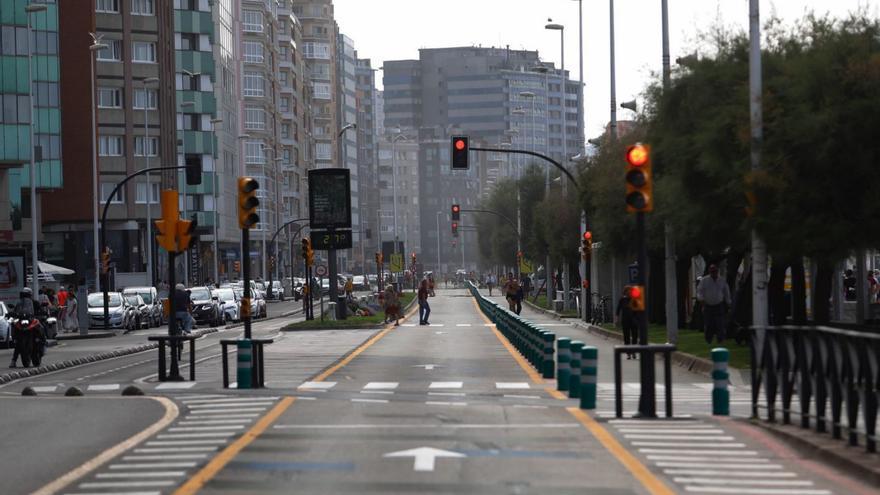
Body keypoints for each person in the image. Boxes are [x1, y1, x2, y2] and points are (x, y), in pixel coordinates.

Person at [697, 264, 732, 344]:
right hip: (708, 305)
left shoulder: (722, 280)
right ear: (709, 272)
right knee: (709, 324)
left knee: (720, 323)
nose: (714, 273)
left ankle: (720, 339)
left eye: (715, 271)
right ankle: (708, 339)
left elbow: (726, 292)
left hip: (719, 305)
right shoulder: (704, 280)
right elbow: (699, 291)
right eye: (712, 272)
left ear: (717, 271)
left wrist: (729, 303)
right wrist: (701, 300)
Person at [10, 288, 38, 367]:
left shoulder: (34, 303)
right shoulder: (19, 303)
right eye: (23, 294)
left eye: (26, 294)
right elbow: (15, 311)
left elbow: (40, 309)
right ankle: (13, 360)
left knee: (40, 327)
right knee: (18, 341)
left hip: (31, 321)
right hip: (22, 322)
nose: (24, 296)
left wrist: (41, 313)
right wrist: (11, 314)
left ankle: (42, 341)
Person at [615, 286, 637, 359]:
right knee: (626, 337)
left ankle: (633, 351)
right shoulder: (622, 300)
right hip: (625, 320)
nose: (629, 292)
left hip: (634, 320)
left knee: (634, 337)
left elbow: (638, 310)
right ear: (625, 292)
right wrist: (616, 319)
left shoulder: (634, 299)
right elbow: (618, 310)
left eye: (630, 291)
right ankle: (628, 353)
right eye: (627, 291)